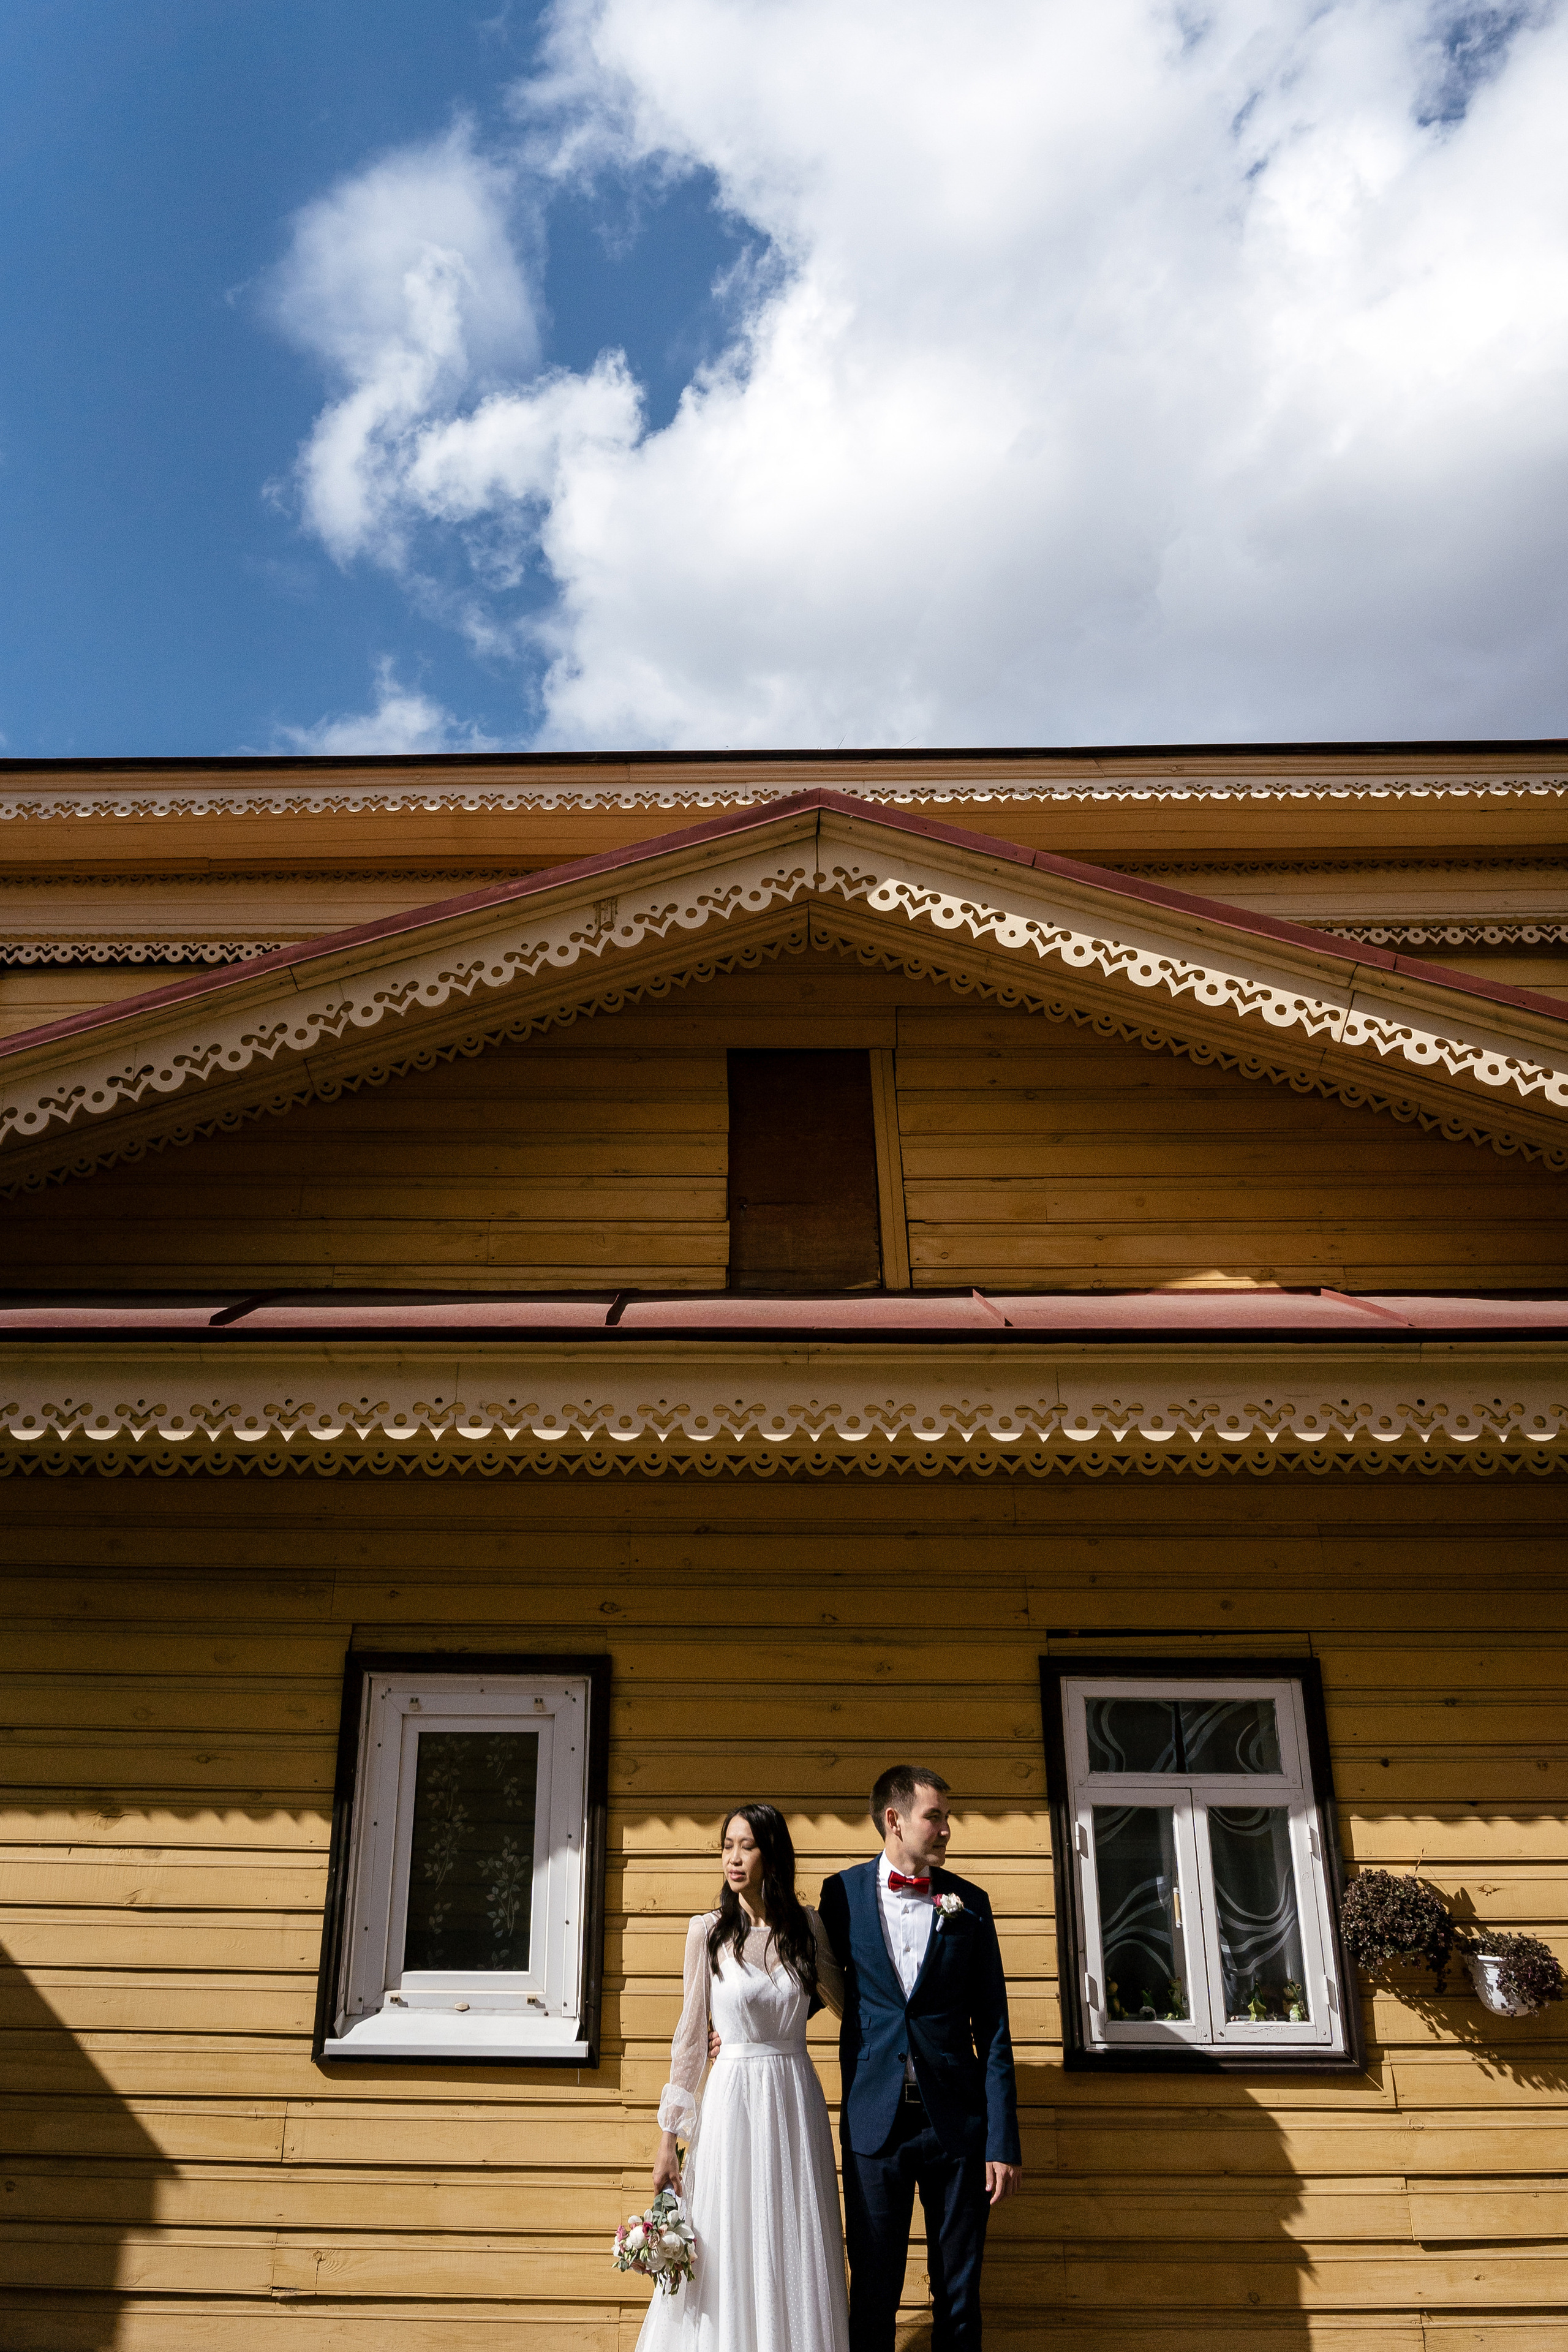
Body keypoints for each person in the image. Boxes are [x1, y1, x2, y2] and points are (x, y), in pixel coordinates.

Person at [818, 1765, 1022, 2351]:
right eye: (935, 1817)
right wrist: (739, 2024)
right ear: (894, 1820)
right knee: (873, 2294)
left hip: (956, 2128)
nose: (946, 1830)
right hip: (873, 2123)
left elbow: (996, 2029)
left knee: (959, 2297)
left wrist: (1002, 2142)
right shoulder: (844, 1894)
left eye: (946, 1818)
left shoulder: (972, 1904)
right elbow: (813, 1987)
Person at [635, 1801, 851, 2352]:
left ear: (771, 1854)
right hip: (731, 2101)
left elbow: (846, 2002)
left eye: (746, 1846)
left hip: (794, 2096)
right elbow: (689, 2039)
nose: (733, 1858)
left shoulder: (808, 1928)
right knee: (729, 2240)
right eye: (727, 1846)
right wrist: (668, 2141)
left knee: (792, 2240)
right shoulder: (706, 1932)